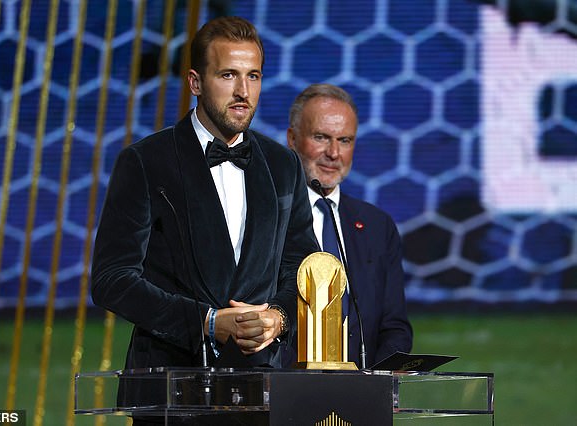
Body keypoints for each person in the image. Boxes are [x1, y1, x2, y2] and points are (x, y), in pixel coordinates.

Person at [90, 16, 318, 421]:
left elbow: (303, 266)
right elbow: (113, 280)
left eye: (254, 76)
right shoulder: (145, 162)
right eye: (228, 75)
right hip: (170, 389)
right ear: (195, 83)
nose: (243, 92)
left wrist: (278, 319)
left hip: (260, 387)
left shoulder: (283, 165)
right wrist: (209, 323)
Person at [287, 83, 413, 368]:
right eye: (321, 137)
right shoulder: (267, 218)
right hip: (286, 396)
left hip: (360, 399)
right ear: (292, 139)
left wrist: (377, 381)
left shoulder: (377, 227)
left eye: (345, 140)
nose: (334, 152)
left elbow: (395, 328)